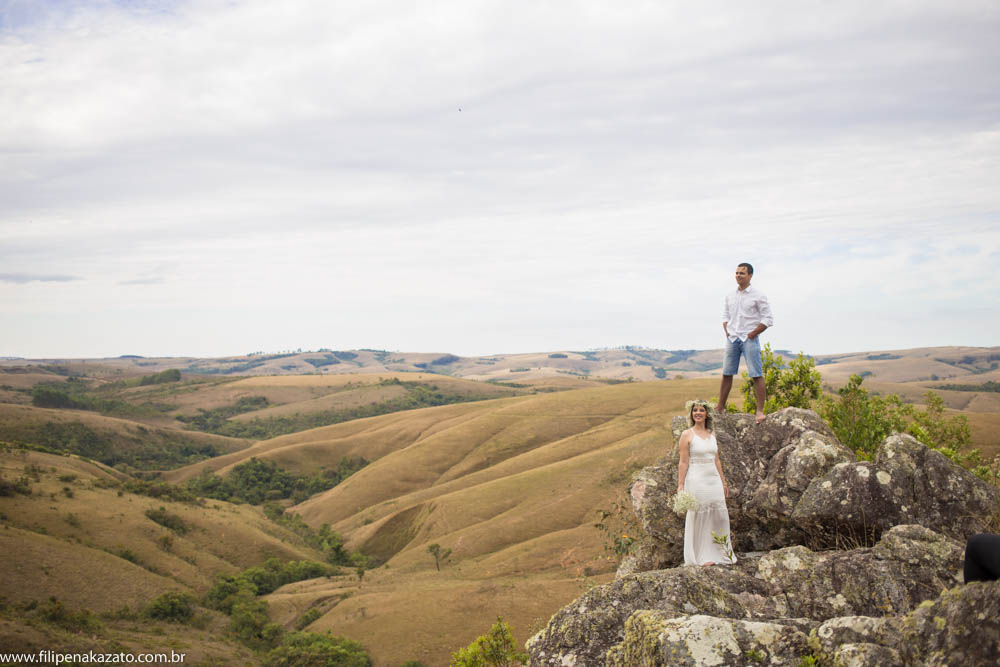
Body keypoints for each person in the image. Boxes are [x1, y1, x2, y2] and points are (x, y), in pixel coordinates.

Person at [677, 400, 736, 566]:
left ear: (706, 414)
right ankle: (701, 556)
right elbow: (683, 462)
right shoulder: (686, 435)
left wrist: (723, 482)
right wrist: (681, 485)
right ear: (691, 414)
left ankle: (722, 553)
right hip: (696, 479)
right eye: (695, 410)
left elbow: (717, 460)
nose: (698, 413)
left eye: (701, 410)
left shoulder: (712, 434)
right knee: (700, 514)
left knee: (719, 516)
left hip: (713, 479)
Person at [717, 262, 774, 424]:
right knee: (726, 373)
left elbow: (768, 318)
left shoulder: (758, 295)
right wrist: (726, 329)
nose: (738, 276)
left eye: (742, 273)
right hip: (732, 338)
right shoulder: (730, 295)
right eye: (736, 273)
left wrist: (753, 333)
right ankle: (720, 407)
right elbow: (725, 315)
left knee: (756, 374)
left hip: (749, 338)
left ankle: (760, 411)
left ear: (750, 275)